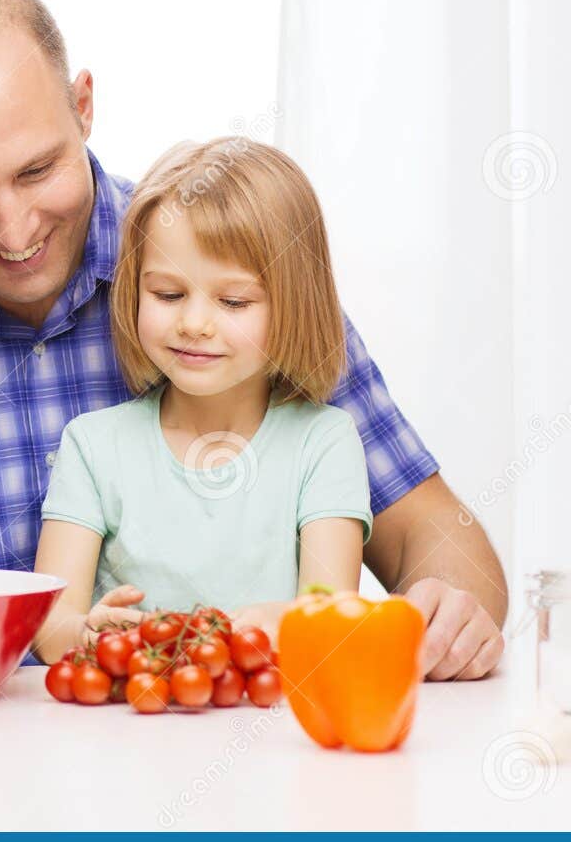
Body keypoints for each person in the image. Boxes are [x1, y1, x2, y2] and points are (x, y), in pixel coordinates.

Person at [0, 0, 506, 680]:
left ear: (83, 106)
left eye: (38, 169)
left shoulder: (225, 262)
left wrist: (446, 608)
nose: (14, 228)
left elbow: (434, 532)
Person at [33, 138, 368, 659]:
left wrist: (242, 630)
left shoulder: (323, 442)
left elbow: (331, 616)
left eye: (232, 301)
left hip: (266, 730)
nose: (193, 324)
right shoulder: (92, 445)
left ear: (294, 304)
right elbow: (50, 624)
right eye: (167, 295)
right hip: (120, 729)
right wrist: (84, 633)